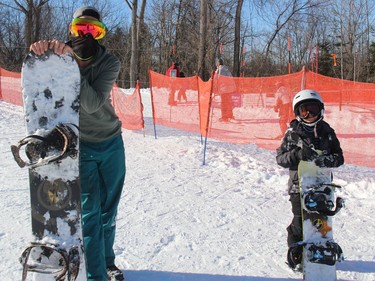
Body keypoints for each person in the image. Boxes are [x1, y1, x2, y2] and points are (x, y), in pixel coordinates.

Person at [30, 6, 125, 281]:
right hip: (80, 147)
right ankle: (96, 275)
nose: (86, 35)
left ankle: (107, 262)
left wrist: (71, 66)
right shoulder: (61, 58)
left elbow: (94, 104)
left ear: (100, 35)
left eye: (93, 30)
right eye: (80, 28)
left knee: (109, 210)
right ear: (72, 30)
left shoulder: (110, 63)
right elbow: (39, 71)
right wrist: (44, 54)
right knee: (90, 213)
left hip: (110, 143)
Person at [275, 89, 344, 270]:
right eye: (304, 111)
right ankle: (296, 249)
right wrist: (297, 154)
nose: (309, 115)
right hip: (299, 187)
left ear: (320, 110)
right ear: (297, 113)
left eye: (312, 110)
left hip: (322, 187)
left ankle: (321, 246)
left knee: (321, 219)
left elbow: (339, 156)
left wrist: (331, 159)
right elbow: (280, 158)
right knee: (300, 220)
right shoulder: (293, 133)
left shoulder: (327, 132)